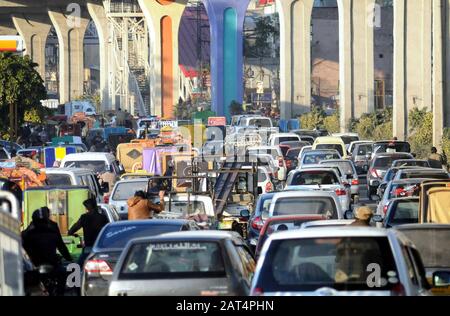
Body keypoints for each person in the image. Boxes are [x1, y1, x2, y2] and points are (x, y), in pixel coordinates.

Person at [22, 208, 73, 296]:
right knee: (62, 275)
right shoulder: (52, 233)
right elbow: (62, 247)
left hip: (36, 268)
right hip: (48, 267)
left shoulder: (29, 234)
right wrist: (69, 258)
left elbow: (23, 248)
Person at [68, 198, 109, 266]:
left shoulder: (84, 217)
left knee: (79, 266)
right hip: (100, 247)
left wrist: (71, 232)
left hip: (89, 247)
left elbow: (75, 227)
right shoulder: (103, 217)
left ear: (87, 208)